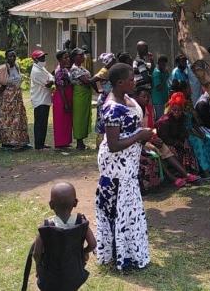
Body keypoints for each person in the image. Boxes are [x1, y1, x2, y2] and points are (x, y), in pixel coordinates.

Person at [95, 63, 152, 271]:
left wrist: (142, 136)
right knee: (119, 210)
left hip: (128, 165)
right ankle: (120, 255)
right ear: (119, 83)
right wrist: (139, 136)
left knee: (129, 210)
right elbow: (113, 144)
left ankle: (129, 251)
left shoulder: (126, 99)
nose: (134, 81)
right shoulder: (112, 108)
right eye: (130, 79)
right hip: (116, 167)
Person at [31, 182, 96, 291]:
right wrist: (83, 253)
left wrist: (38, 267)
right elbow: (93, 244)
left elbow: (36, 253)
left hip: (50, 277)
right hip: (74, 275)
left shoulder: (46, 227)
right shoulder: (81, 223)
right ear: (75, 203)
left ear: (51, 205)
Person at [0, 50, 30, 150]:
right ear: (6, 58)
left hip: (17, 97)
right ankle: (7, 142)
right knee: (7, 119)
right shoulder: (2, 68)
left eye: (14, 56)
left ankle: (19, 141)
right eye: (10, 56)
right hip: (7, 97)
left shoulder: (17, 66)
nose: (12, 58)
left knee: (18, 119)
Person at [156, 92, 200, 176]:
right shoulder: (164, 121)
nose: (176, 112)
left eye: (179, 110)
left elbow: (184, 131)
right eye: (174, 110)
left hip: (177, 141)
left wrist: (185, 140)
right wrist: (178, 143)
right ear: (170, 109)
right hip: (166, 143)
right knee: (174, 150)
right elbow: (165, 138)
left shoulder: (182, 118)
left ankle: (190, 171)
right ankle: (179, 172)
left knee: (188, 148)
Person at [69, 47, 95, 150]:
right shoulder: (75, 68)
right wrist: (99, 77)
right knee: (79, 118)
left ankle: (82, 142)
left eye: (83, 55)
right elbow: (86, 81)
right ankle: (79, 142)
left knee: (84, 117)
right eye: (80, 55)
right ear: (75, 57)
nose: (83, 57)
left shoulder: (82, 68)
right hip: (79, 95)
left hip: (85, 95)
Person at [30, 50, 55, 150]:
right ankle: (38, 145)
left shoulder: (41, 68)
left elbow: (51, 77)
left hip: (44, 98)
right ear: (35, 59)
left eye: (44, 57)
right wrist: (52, 79)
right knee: (40, 123)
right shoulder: (36, 71)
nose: (43, 59)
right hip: (40, 100)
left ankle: (41, 143)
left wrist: (52, 79)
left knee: (43, 123)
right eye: (41, 57)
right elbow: (48, 82)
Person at [52, 50, 74, 150]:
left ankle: (65, 141)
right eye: (65, 57)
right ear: (60, 59)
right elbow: (60, 88)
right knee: (61, 120)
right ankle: (60, 143)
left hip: (67, 96)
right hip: (61, 98)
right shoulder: (59, 71)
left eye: (68, 57)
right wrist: (65, 103)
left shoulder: (65, 70)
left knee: (66, 120)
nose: (68, 59)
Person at [151, 55, 170, 119]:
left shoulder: (162, 72)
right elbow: (158, 87)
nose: (164, 66)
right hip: (158, 102)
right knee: (160, 120)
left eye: (165, 65)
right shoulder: (157, 73)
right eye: (163, 65)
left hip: (163, 100)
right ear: (159, 63)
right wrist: (165, 77)